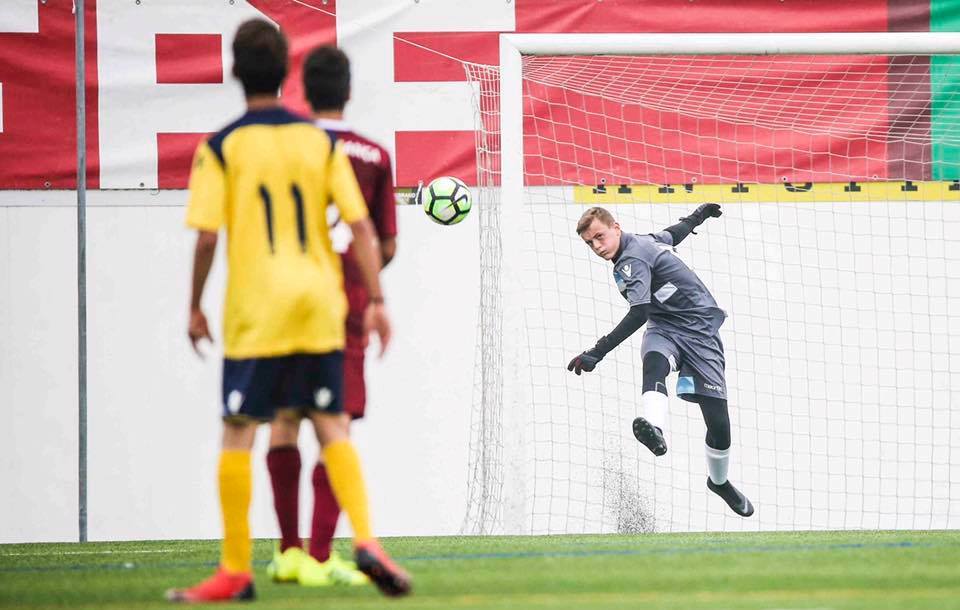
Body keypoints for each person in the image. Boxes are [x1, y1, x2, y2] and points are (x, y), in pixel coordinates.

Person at [166, 19, 410, 603]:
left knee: (238, 430)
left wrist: (194, 305)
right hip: (322, 304)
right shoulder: (320, 142)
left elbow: (205, 240)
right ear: (285, 74)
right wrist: (376, 300)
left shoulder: (222, 146)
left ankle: (234, 569)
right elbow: (360, 227)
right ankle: (369, 541)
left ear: (234, 72)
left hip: (259, 309)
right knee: (331, 425)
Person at [264, 45, 398, 588]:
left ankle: (288, 553)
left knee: (284, 418)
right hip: (342, 305)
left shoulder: (278, 149)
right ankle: (320, 557)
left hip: (278, 299)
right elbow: (382, 242)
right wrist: (370, 291)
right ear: (347, 91)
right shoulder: (369, 154)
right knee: (335, 426)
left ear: (303, 89)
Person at [567, 205, 754, 517]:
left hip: (699, 330)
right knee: (654, 363)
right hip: (664, 326)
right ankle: (654, 428)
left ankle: (719, 482)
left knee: (718, 423)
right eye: (589, 243)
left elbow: (638, 312)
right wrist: (697, 217)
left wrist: (596, 352)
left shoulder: (632, 258)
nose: (597, 247)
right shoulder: (641, 242)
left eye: (600, 237)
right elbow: (671, 235)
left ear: (616, 227)